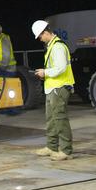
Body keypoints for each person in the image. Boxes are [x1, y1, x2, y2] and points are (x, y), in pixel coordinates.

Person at [31, 19, 74, 161]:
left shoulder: (57, 47)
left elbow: (61, 68)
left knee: (60, 119)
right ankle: (51, 146)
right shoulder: (51, 46)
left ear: (46, 32)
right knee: (51, 119)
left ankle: (66, 150)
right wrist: (45, 74)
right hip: (52, 88)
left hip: (59, 87)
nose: (39, 39)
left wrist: (46, 73)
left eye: (40, 36)